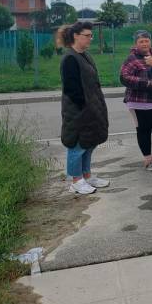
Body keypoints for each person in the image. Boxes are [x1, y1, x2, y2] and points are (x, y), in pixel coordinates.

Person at [57, 22, 110, 194]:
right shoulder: (70, 58)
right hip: (78, 112)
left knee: (89, 143)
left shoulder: (85, 55)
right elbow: (72, 89)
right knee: (77, 145)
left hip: (91, 109)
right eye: (87, 35)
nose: (90, 39)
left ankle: (87, 176)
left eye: (91, 35)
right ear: (75, 36)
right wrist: (85, 107)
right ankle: (76, 181)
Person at [120, 30, 152, 171]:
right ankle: (148, 160)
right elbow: (124, 77)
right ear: (136, 44)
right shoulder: (132, 58)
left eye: (147, 40)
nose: (144, 43)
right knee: (144, 130)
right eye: (141, 41)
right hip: (139, 102)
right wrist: (146, 83)